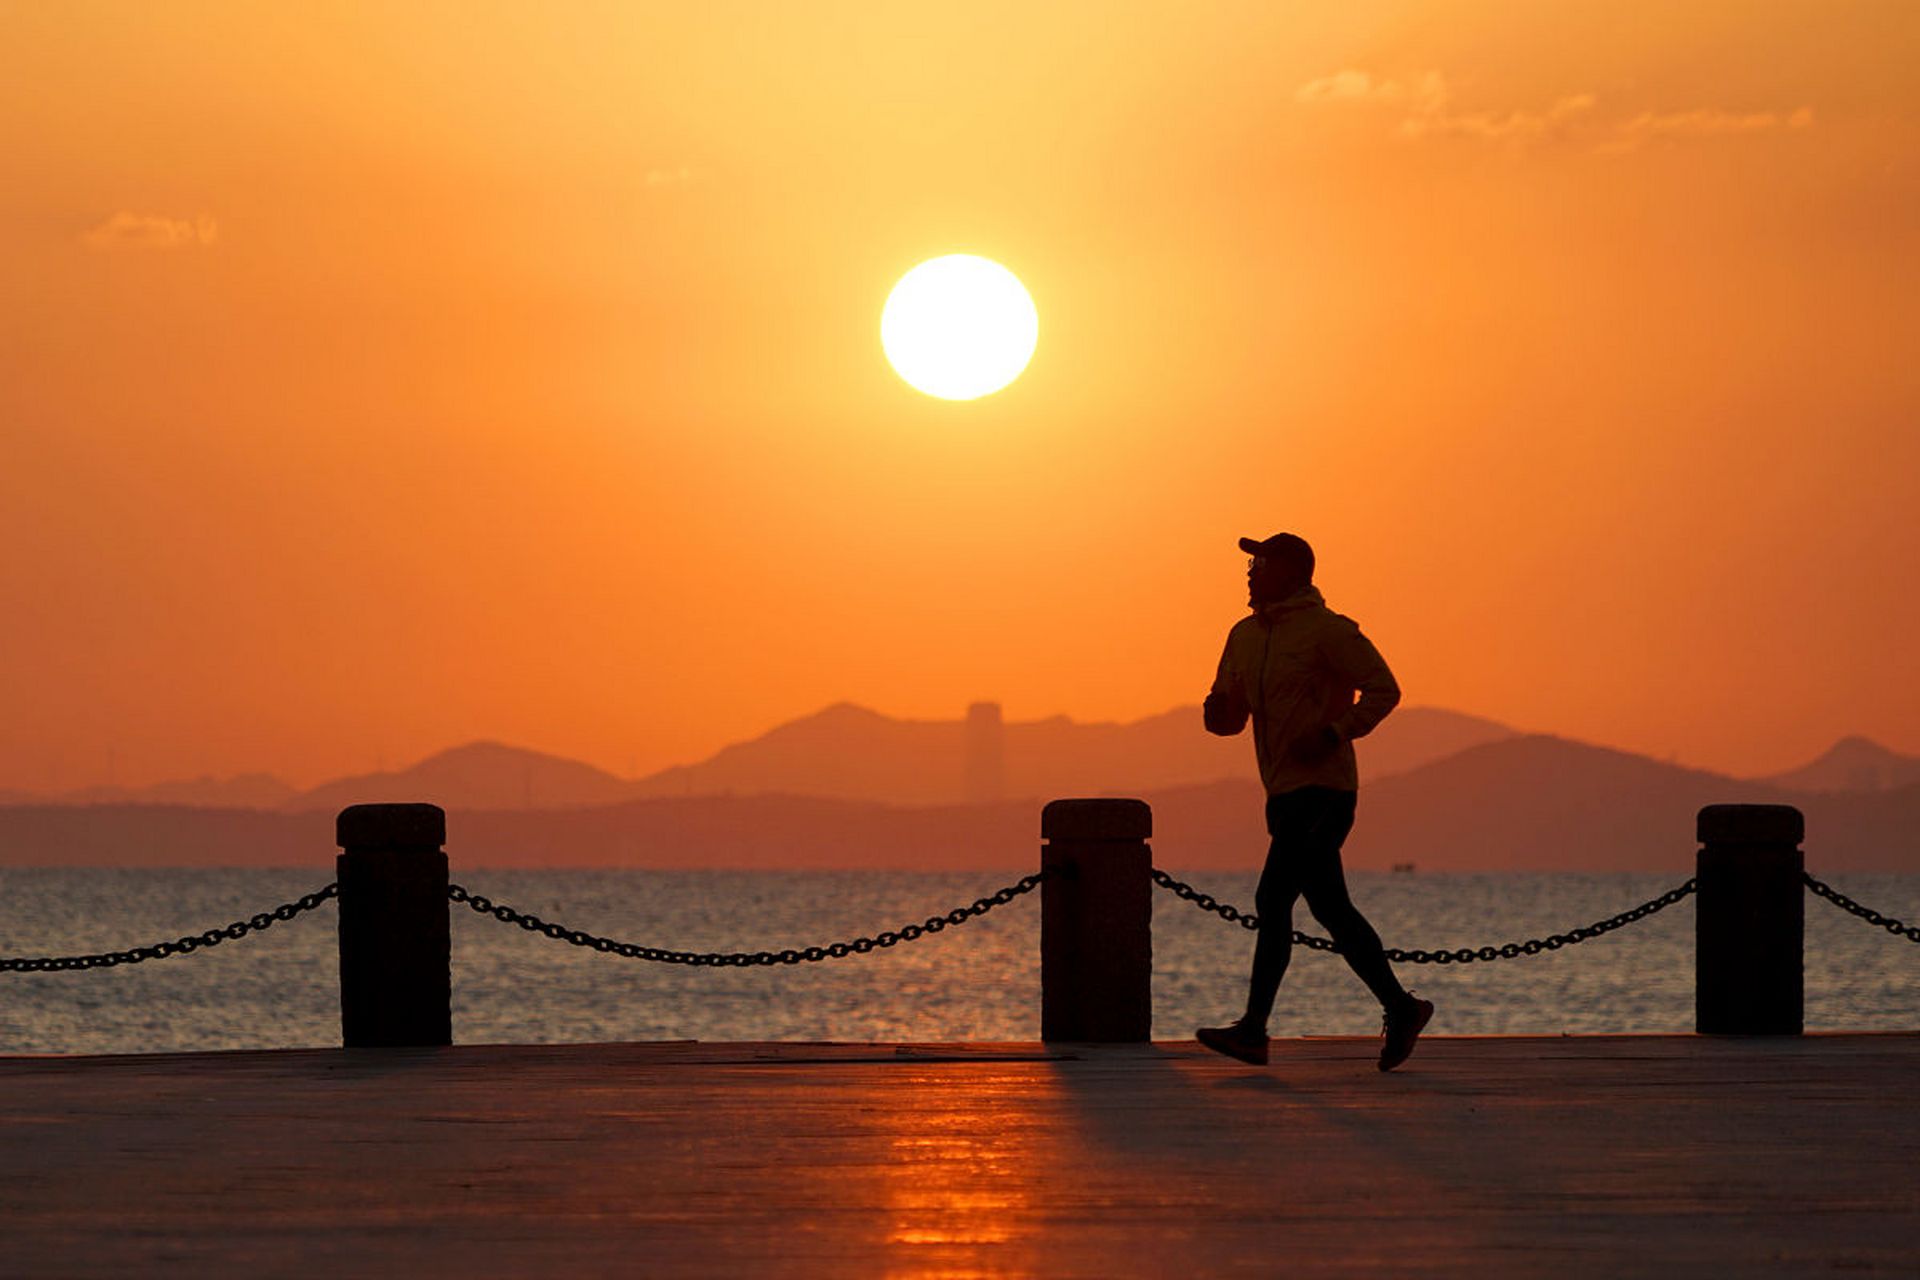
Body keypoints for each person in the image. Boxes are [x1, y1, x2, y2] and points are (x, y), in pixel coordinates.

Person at [1195, 532, 1433, 1071]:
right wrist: (1218, 714)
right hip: (1280, 793)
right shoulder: (1243, 636)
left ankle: (1254, 1031)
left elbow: (1383, 690)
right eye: (1250, 565)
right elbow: (1230, 719)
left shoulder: (1329, 632)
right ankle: (1402, 1007)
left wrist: (1333, 732)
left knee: (1272, 898)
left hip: (1326, 791)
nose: (1250, 573)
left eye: (1260, 564)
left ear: (1292, 571)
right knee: (1330, 908)